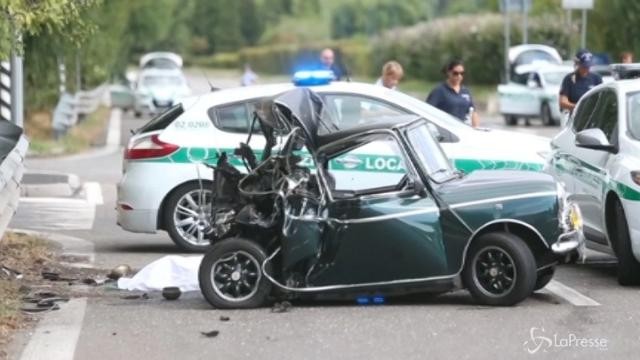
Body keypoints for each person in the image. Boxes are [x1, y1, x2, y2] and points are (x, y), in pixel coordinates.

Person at [426, 59, 479, 127]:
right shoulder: (439, 91)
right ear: (449, 72)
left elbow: (473, 112)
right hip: (446, 130)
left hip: (462, 129)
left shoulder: (465, 91)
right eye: (455, 73)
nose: (459, 76)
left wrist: (475, 129)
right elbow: (427, 111)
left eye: (462, 73)